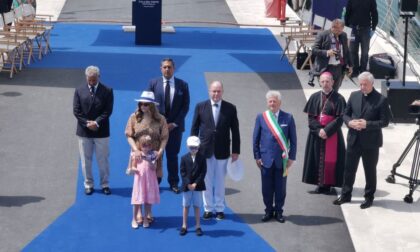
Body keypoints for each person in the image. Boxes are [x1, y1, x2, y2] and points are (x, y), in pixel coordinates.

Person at [333, 71, 390, 209]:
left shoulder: (381, 99)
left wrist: (367, 124)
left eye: (365, 84)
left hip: (370, 143)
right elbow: (345, 114)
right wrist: (350, 122)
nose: (362, 87)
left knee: (369, 171)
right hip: (354, 139)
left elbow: (385, 122)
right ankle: (346, 195)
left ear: (372, 84)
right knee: (349, 170)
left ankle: (369, 197)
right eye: (361, 84)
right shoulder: (354, 95)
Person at [191, 80, 240, 220]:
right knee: (206, 181)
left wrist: (236, 150)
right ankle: (208, 209)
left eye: (218, 91)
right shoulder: (200, 106)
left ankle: (219, 208)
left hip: (223, 150)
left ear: (222, 92)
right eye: (214, 91)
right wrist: (193, 148)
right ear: (209, 92)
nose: (216, 94)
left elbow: (235, 131)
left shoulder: (230, 108)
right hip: (204, 150)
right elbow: (194, 128)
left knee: (220, 181)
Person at [253, 90, 297, 223]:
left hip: (282, 161)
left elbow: (293, 141)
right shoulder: (261, 117)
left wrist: (291, 158)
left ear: (280, 103)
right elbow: (255, 139)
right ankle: (268, 211)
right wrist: (257, 156)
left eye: (275, 101)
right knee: (266, 188)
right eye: (270, 101)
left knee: (280, 188)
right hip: (265, 160)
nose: (272, 103)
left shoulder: (288, 118)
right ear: (267, 103)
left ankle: (279, 211)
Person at [147, 58, 190, 193]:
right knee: (156, 155)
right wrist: (157, 122)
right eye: (164, 67)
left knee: (172, 155)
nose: (167, 69)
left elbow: (185, 106)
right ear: (161, 69)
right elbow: (147, 104)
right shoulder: (153, 83)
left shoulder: (183, 85)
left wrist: (174, 123)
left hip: (175, 128)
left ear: (174, 68)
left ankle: (173, 182)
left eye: (169, 67)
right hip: (157, 128)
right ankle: (155, 182)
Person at [125, 91, 169, 221]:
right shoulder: (134, 117)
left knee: (152, 183)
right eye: (141, 104)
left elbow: (165, 137)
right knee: (139, 184)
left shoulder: (161, 119)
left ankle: (148, 211)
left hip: (154, 156)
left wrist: (160, 152)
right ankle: (138, 213)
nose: (142, 107)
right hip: (138, 157)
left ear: (152, 105)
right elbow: (128, 135)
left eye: (146, 104)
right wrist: (135, 150)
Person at [302, 72, 346, 194]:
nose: (325, 84)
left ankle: (328, 185)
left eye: (328, 81)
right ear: (319, 82)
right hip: (316, 133)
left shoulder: (339, 99)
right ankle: (319, 184)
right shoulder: (314, 97)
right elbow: (311, 118)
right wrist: (319, 130)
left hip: (333, 134)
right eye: (323, 81)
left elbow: (340, 119)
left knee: (331, 160)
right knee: (316, 158)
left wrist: (326, 130)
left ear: (333, 82)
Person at [73, 66, 114, 195]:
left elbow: (108, 111)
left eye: (94, 80)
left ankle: (105, 184)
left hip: (101, 131)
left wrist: (96, 122)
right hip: (84, 131)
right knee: (86, 159)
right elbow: (76, 111)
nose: (91, 82)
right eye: (89, 80)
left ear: (99, 77)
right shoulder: (79, 90)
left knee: (103, 159)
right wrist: (87, 123)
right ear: (86, 77)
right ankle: (88, 184)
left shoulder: (107, 90)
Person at [311, 19, 353, 91]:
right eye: (334, 28)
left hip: (339, 68)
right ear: (332, 26)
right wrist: (327, 52)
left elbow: (346, 51)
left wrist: (351, 65)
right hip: (326, 67)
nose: (336, 31)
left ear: (342, 28)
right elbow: (314, 50)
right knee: (326, 90)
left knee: (335, 90)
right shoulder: (323, 35)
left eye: (339, 30)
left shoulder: (343, 35)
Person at [129, 135, 160, 229]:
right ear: (140, 146)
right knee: (137, 200)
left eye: (148, 146)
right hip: (139, 181)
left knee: (147, 200)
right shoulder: (136, 154)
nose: (146, 148)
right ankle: (134, 219)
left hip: (149, 181)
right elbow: (133, 166)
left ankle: (146, 218)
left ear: (151, 146)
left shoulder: (153, 155)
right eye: (144, 146)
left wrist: (151, 163)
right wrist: (135, 169)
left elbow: (155, 168)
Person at [179, 136, 207, 236]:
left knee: (197, 206)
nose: (194, 149)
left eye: (195, 147)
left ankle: (198, 226)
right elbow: (182, 172)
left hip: (198, 186)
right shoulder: (184, 158)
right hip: (187, 186)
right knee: (186, 206)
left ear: (199, 147)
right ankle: (184, 225)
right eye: (191, 147)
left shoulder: (202, 158)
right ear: (187, 146)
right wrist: (188, 183)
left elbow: (203, 172)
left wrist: (195, 183)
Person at [345, 0, 378, 77]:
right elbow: (347, 12)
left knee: (365, 52)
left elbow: (374, 13)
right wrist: (347, 26)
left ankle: (363, 70)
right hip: (353, 29)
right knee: (352, 50)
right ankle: (355, 70)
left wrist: (373, 26)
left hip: (365, 29)